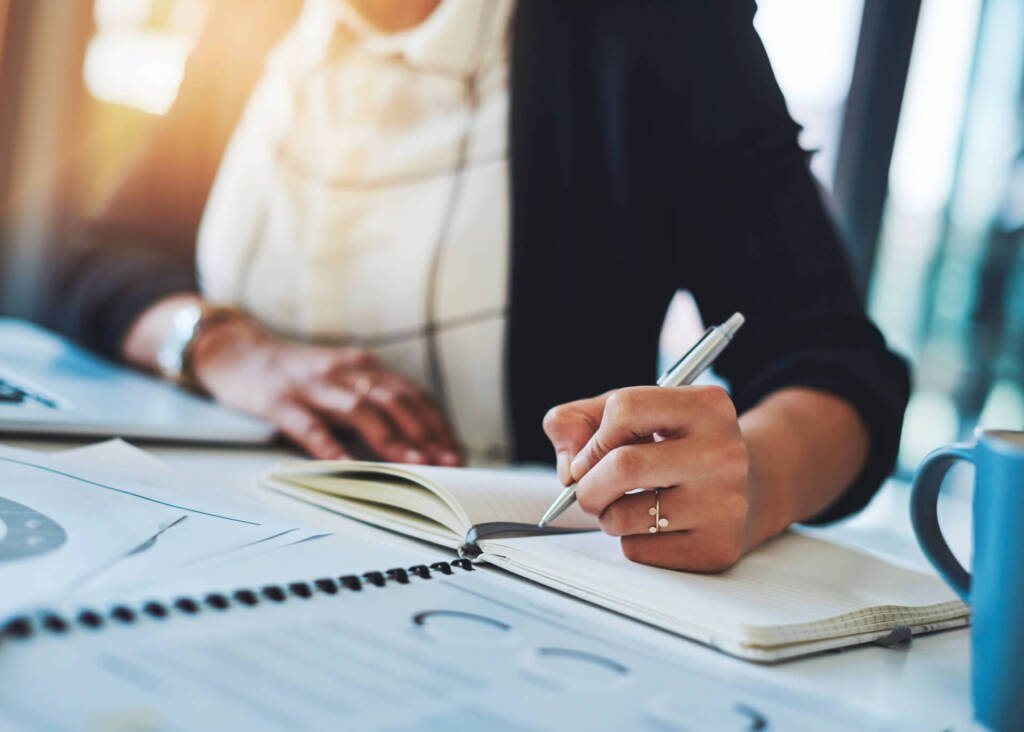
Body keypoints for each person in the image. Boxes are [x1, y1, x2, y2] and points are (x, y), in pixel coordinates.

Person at [51, 0, 910, 572]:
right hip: (181, 541)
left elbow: (837, 371)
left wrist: (753, 481)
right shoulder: (255, 20)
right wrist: (233, 350)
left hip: (494, 582)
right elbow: (93, 257)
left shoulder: (654, 27)